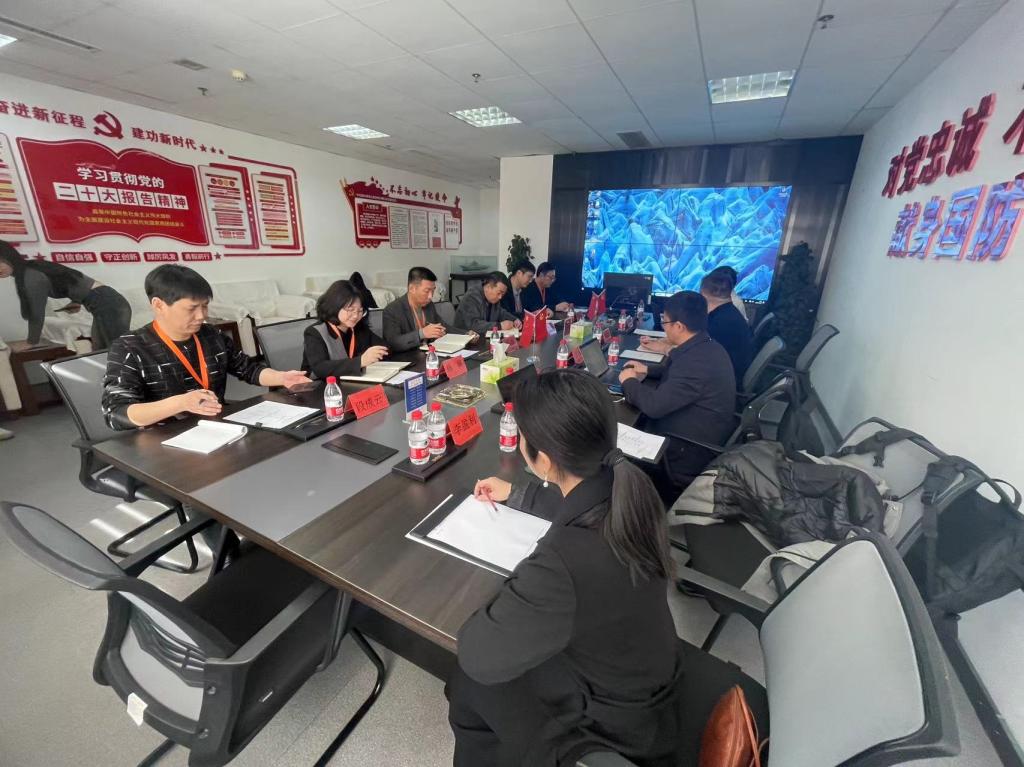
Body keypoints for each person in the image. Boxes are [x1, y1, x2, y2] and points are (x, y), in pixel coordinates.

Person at [449, 369, 682, 767]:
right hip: (641, 674)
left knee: (468, 682)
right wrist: (519, 494)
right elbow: (576, 505)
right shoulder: (628, 489)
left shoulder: (564, 564)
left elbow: (477, 654)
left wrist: (516, 589)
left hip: (613, 724)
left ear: (543, 459)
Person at [102, 264, 310, 430]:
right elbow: (116, 414)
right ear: (159, 305)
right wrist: (181, 403)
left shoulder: (211, 335)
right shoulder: (129, 347)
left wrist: (282, 378)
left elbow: (248, 369)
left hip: (218, 426)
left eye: (205, 306)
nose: (201, 316)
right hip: (165, 437)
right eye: (192, 308)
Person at [618, 291, 735, 500]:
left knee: (614, 435)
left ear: (679, 326)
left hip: (683, 451)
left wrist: (629, 381)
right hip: (697, 429)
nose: (663, 327)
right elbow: (679, 372)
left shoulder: (695, 363)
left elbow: (654, 407)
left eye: (665, 322)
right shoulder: (705, 346)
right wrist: (647, 370)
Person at [0, 240, 131, 351]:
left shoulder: (31, 275)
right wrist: (76, 301)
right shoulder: (31, 269)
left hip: (108, 304)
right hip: (107, 301)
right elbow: (77, 282)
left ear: (8, 256)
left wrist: (31, 342)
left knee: (114, 354)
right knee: (102, 351)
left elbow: (37, 312)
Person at [301, 279, 388, 379]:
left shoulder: (357, 327)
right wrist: (360, 361)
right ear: (335, 306)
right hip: (319, 385)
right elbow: (320, 368)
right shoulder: (315, 332)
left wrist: (377, 353)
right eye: (350, 310)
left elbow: (385, 347)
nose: (355, 316)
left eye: (360, 311)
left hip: (350, 382)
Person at [382, 266, 473, 352]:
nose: (430, 296)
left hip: (430, 353)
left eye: (433, 290)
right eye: (427, 291)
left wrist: (466, 335)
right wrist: (421, 334)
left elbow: (443, 326)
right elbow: (393, 343)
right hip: (407, 357)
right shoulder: (393, 310)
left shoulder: (429, 305)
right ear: (412, 288)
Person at [700, 270, 753, 389]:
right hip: (729, 374)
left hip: (721, 384)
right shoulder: (728, 313)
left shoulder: (720, 323)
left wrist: (668, 348)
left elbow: (697, 355)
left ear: (703, 294)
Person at [455, 272, 521, 336]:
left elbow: (501, 313)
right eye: (499, 293)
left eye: (502, 294)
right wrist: (499, 326)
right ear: (488, 287)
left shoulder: (493, 299)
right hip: (464, 338)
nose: (500, 297)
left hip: (482, 337)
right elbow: (473, 325)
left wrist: (514, 319)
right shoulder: (472, 297)